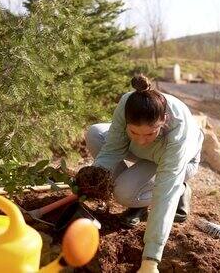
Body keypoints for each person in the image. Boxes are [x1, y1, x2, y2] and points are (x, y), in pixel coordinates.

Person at [76, 74, 204, 273]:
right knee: (95, 134)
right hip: (145, 155)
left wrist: (151, 260)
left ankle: (178, 189)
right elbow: (111, 150)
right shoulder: (129, 102)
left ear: (164, 121)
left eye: (149, 133)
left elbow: (164, 193)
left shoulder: (178, 133)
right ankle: (138, 192)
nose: (141, 139)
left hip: (176, 161)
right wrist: (93, 180)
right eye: (134, 132)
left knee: (124, 193)